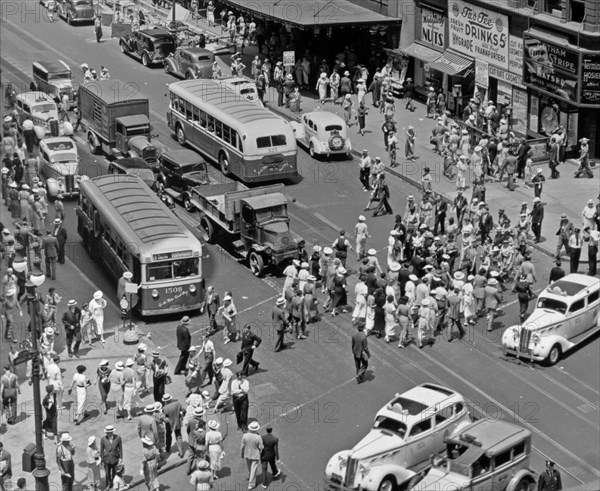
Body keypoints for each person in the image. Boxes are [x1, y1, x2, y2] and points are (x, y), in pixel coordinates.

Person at [241, 421, 264, 489]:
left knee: (249, 467)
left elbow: (242, 446)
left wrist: (242, 454)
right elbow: (261, 447)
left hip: (247, 454)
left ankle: (250, 476)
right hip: (255, 455)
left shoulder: (245, 435)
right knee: (253, 469)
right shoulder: (258, 437)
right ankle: (251, 484)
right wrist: (259, 453)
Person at [162, 394, 184, 458]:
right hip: (177, 422)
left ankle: (168, 448)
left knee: (168, 436)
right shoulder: (177, 404)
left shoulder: (165, 408)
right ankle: (181, 451)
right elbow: (182, 410)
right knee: (178, 436)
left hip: (169, 424)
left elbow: (164, 417)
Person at [100, 425, 122, 490]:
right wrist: (101, 459)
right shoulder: (103, 439)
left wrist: (121, 458)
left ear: (112, 432)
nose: (107, 434)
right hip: (106, 459)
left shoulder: (118, 438)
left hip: (115, 458)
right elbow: (101, 450)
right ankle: (108, 484)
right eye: (107, 432)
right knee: (107, 473)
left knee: (115, 472)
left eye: (109, 432)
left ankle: (114, 483)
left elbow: (120, 448)